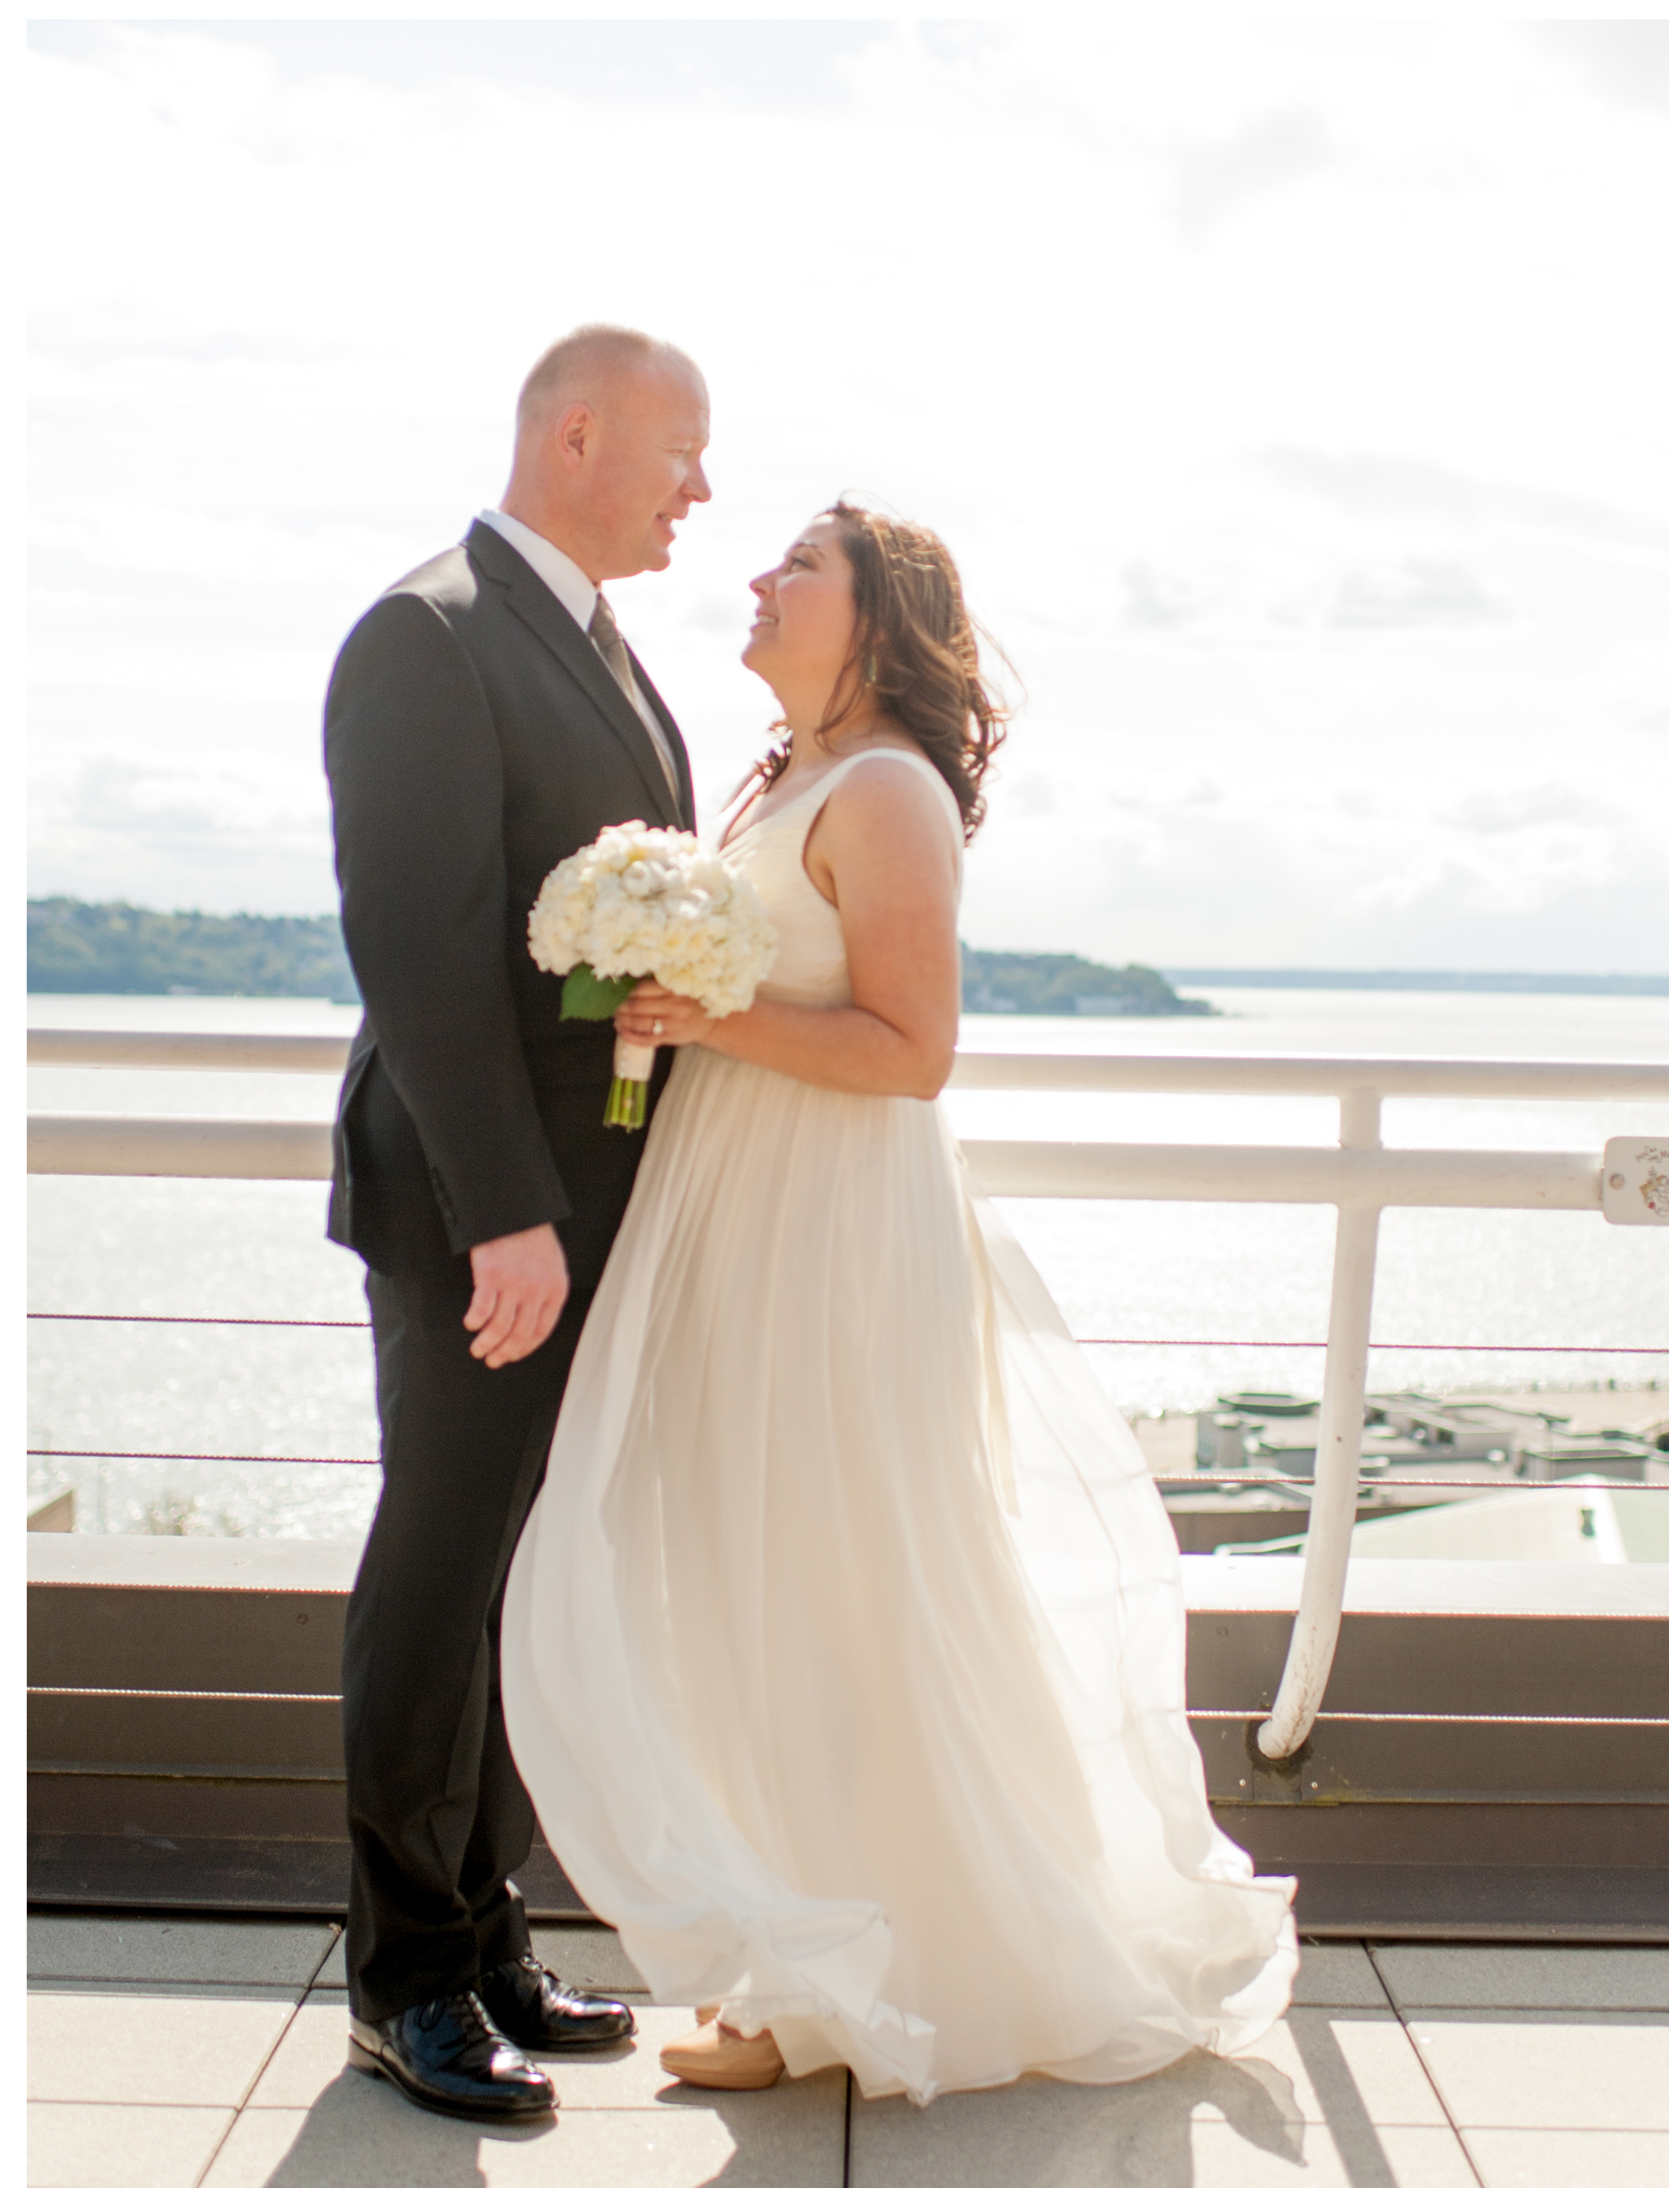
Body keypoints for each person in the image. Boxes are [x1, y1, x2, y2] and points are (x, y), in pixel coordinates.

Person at [498, 500, 1299, 2102]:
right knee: (751, 1577)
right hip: (736, 1207)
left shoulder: (886, 791)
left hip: (835, 1228)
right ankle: (812, 1953)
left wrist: (711, 1022)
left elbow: (911, 1051)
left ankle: (881, 1971)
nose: (760, 578)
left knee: (847, 1578)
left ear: (872, 620)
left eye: (799, 566)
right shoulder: (778, 779)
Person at [322, 324, 709, 2122]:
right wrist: (509, 1217)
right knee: (440, 1564)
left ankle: (485, 1937)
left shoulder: (600, 647)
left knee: (523, 1576)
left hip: (588, 1199)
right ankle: (399, 1980)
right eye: (679, 451)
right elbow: (415, 957)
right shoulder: (427, 636)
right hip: (486, 1215)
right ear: (576, 434)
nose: (700, 487)